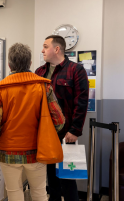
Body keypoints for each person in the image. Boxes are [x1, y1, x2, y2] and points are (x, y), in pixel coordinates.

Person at [0, 43, 65, 201]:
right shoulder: (44, 86)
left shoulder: (0, 90)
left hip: (7, 152)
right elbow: (59, 120)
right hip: (37, 150)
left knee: (14, 192)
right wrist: (45, 133)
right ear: (30, 63)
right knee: (40, 192)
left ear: (9, 65)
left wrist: (2, 138)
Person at [35, 35, 89, 201]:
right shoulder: (40, 72)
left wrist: (75, 130)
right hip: (46, 134)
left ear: (56, 49)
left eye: (45, 46)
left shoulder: (75, 70)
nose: (42, 50)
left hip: (66, 134)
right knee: (51, 177)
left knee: (66, 177)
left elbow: (81, 102)